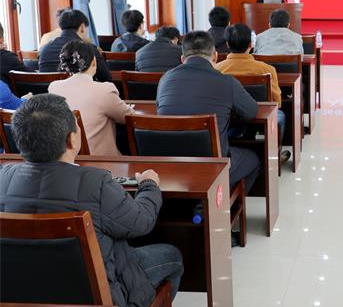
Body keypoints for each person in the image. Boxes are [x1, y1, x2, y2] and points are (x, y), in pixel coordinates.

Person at [0, 94, 183, 307]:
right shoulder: (96, 184)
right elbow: (142, 222)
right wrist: (149, 185)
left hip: (24, 300)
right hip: (101, 303)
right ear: (72, 139)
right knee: (172, 256)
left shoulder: (3, 178)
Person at [156, 31, 261, 194]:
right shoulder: (227, 82)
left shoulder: (165, 79)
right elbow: (251, 112)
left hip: (170, 162)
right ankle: (219, 201)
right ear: (215, 56)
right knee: (253, 159)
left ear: (182, 59)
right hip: (212, 166)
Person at [214, 23, 288, 160]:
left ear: (227, 44)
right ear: (250, 44)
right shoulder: (267, 69)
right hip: (259, 121)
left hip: (226, 122)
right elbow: (277, 103)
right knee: (280, 116)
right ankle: (275, 156)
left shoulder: (216, 70)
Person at [49, 40, 133, 156]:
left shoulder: (54, 88)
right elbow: (128, 117)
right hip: (102, 161)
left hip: (68, 159)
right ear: (94, 61)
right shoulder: (105, 90)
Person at [38, 9, 112, 82]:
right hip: (80, 89)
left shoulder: (44, 49)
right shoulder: (89, 49)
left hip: (49, 89)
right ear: (82, 27)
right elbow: (106, 77)